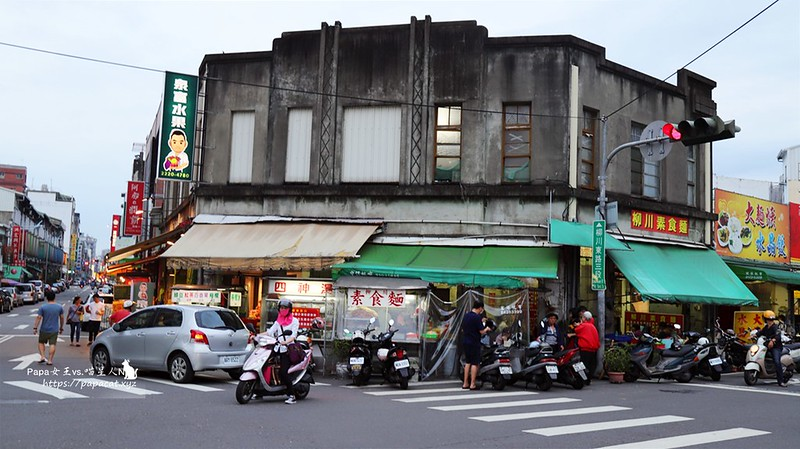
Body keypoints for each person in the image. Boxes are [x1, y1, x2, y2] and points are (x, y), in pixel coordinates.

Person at [266, 299, 299, 404]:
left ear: (289, 309)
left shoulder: (294, 321)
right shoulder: (278, 321)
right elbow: (270, 332)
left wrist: (285, 342)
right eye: (281, 308)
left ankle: (291, 395)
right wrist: (257, 335)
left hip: (288, 349)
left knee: (283, 372)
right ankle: (259, 391)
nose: (283, 309)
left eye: (285, 308)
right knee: (264, 365)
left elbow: (293, 336)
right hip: (277, 348)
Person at [461, 300, 493, 390]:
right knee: (475, 363)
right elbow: (481, 331)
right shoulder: (477, 317)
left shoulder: (466, 315)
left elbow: (464, 328)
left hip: (466, 341)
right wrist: (487, 329)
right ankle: (472, 384)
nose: (481, 311)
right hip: (474, 342)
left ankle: (465, 383)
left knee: (468, 362)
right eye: (482, 309)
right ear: (480, 308)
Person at [33, 290, 63, 365]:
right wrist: (61, 327)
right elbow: (62, 318)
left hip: (44, 329)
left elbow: (39, 317)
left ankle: (42, 356)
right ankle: (50, 360)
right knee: (52, 344)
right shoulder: (59, 307)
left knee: (41, 342)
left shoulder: (43, 307)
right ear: (54, 297)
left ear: (47, 298)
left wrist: (35, 328)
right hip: (54, 329)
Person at [756, 310, 786, 387]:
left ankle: (781, 381)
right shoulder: (766, 327)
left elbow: (778, 336)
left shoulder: (775, 327)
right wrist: (753, 335)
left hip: (776, 347)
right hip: (767, 346)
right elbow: (760, 333)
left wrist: (773, 340)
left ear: (765, 318)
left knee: (777, 362)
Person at [572, 311, 600, 384]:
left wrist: (579, 324)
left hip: (585, 348)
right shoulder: (592, 326)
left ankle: (583, 379)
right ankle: (588, 379)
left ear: (584, 318)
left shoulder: (584, 326)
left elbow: (576, 330)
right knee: (591, 365)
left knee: (583, 365)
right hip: (593, 348)